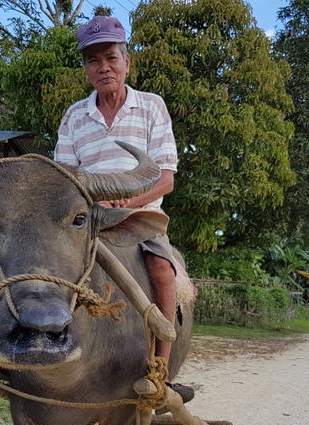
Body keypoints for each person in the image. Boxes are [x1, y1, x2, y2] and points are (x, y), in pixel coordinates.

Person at [54, 15, 192, 400]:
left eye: (111, 57)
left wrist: (129, 203)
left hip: (141, 217)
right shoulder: (74, 116)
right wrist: (95, 203)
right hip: (89, 218)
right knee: (42, 267)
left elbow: (166, 179)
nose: (104, 67)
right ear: (86, 69)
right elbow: (66, 179)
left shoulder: (151, 107)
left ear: (126, 62)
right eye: (93, 60)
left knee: (162, 272)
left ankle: (159, 371)